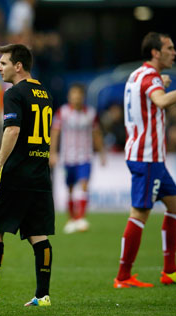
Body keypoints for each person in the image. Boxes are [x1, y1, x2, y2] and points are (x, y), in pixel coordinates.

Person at [113, 32, 176, 288]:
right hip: (146, 157)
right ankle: (123, 276)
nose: (174, 52)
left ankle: (170, 270)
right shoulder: (151, 77)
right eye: (169, 47)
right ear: (155, 52)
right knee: (140, 213)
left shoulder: (136, 75)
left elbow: (149, 98)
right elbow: (161, 101)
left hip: (151, 156)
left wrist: (161, 85)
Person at [0, 44, 54, 307]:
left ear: (18, 66)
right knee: (38, 235)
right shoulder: (44, 93)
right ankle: (43, 296)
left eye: (3, 63)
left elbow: (13, 131)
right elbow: (29, 134)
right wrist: (2, 153)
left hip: (16, 175)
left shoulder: (14, 93)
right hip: (39, 174)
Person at [49, 83, 105, 234]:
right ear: (69, 96)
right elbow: (55, 133)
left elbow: (96, 134)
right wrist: (52, 153)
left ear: (83, 96)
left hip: (85, 157)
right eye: (73, 94)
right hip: (67, 158)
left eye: (78, 94)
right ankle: (71, 219)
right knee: (70, 189)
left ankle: (80, 218)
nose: (76, 97)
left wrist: (102, 153)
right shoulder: (63, 113)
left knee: (84, 186)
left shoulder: (91, 114)